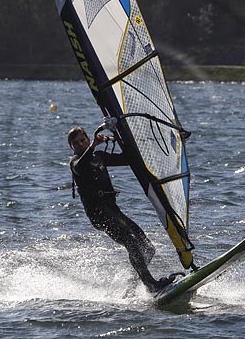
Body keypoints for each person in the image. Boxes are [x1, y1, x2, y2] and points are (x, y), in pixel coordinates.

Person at [67, 125, 179, 293]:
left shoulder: (99, 156)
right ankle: (150, 284)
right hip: (99, 214)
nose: (80, 144)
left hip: (113, 210)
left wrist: (123, 139)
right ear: (72, 147)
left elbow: (128, 159)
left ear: (88, 138)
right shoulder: (75, 162)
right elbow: (82, 166)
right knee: (131, 241)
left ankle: (134, 281)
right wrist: (93, 146)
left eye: (83, 140)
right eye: (76, 143)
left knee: (148, 247)